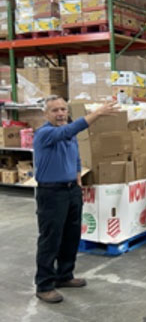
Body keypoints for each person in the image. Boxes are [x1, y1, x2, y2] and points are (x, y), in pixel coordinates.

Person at [34, 96, 119, 303]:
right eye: (55, 110)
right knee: (50, 239)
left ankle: (64, 275)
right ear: (46, 114)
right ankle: (44, 285)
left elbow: (75, 154)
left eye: (63, 109)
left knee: (71, 236)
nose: (61, 113)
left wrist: (78, 174)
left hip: (71, 190)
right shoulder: (45, 133)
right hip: (51, 193)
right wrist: (96, 114)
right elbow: (67, 132)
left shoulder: (67, 130)